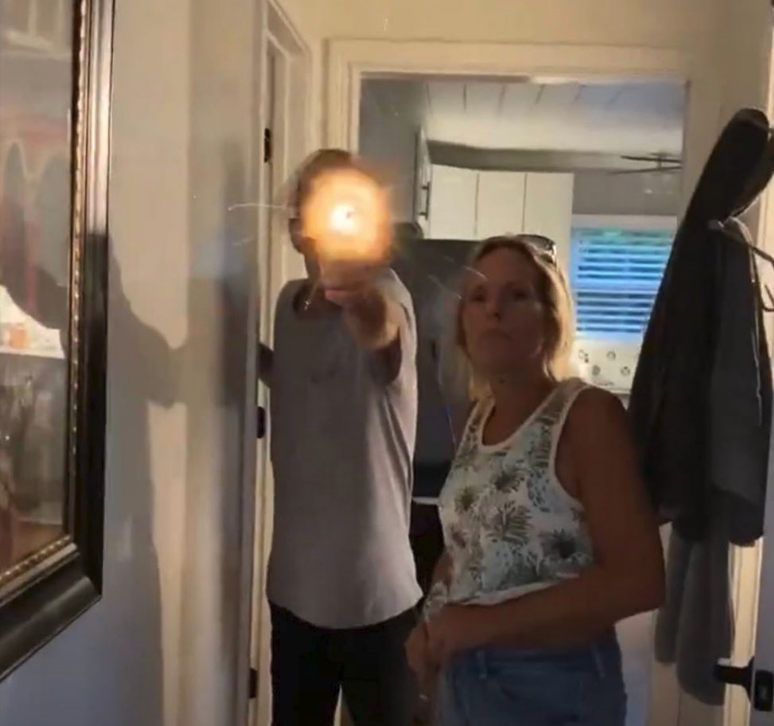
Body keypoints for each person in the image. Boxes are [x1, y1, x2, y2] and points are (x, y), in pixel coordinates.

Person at [405, 235, 665, 726]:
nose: (494, 310)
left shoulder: (587, 416)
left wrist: (485, 624)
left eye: (517, 295)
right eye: (478, 297)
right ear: (462, 326)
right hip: (467, 680)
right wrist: (431, 625)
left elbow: (640, 582)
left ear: (551, 319)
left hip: (553, 687)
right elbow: (463, 547)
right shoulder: (478, 417)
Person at [259, 149, 421, 726]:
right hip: (294, 591)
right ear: (297, 227)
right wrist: (227, 346)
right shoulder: (287, 304)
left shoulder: (388, 296)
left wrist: (357, 292)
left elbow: (380, 332)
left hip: (375, 595)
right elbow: (301, 378)